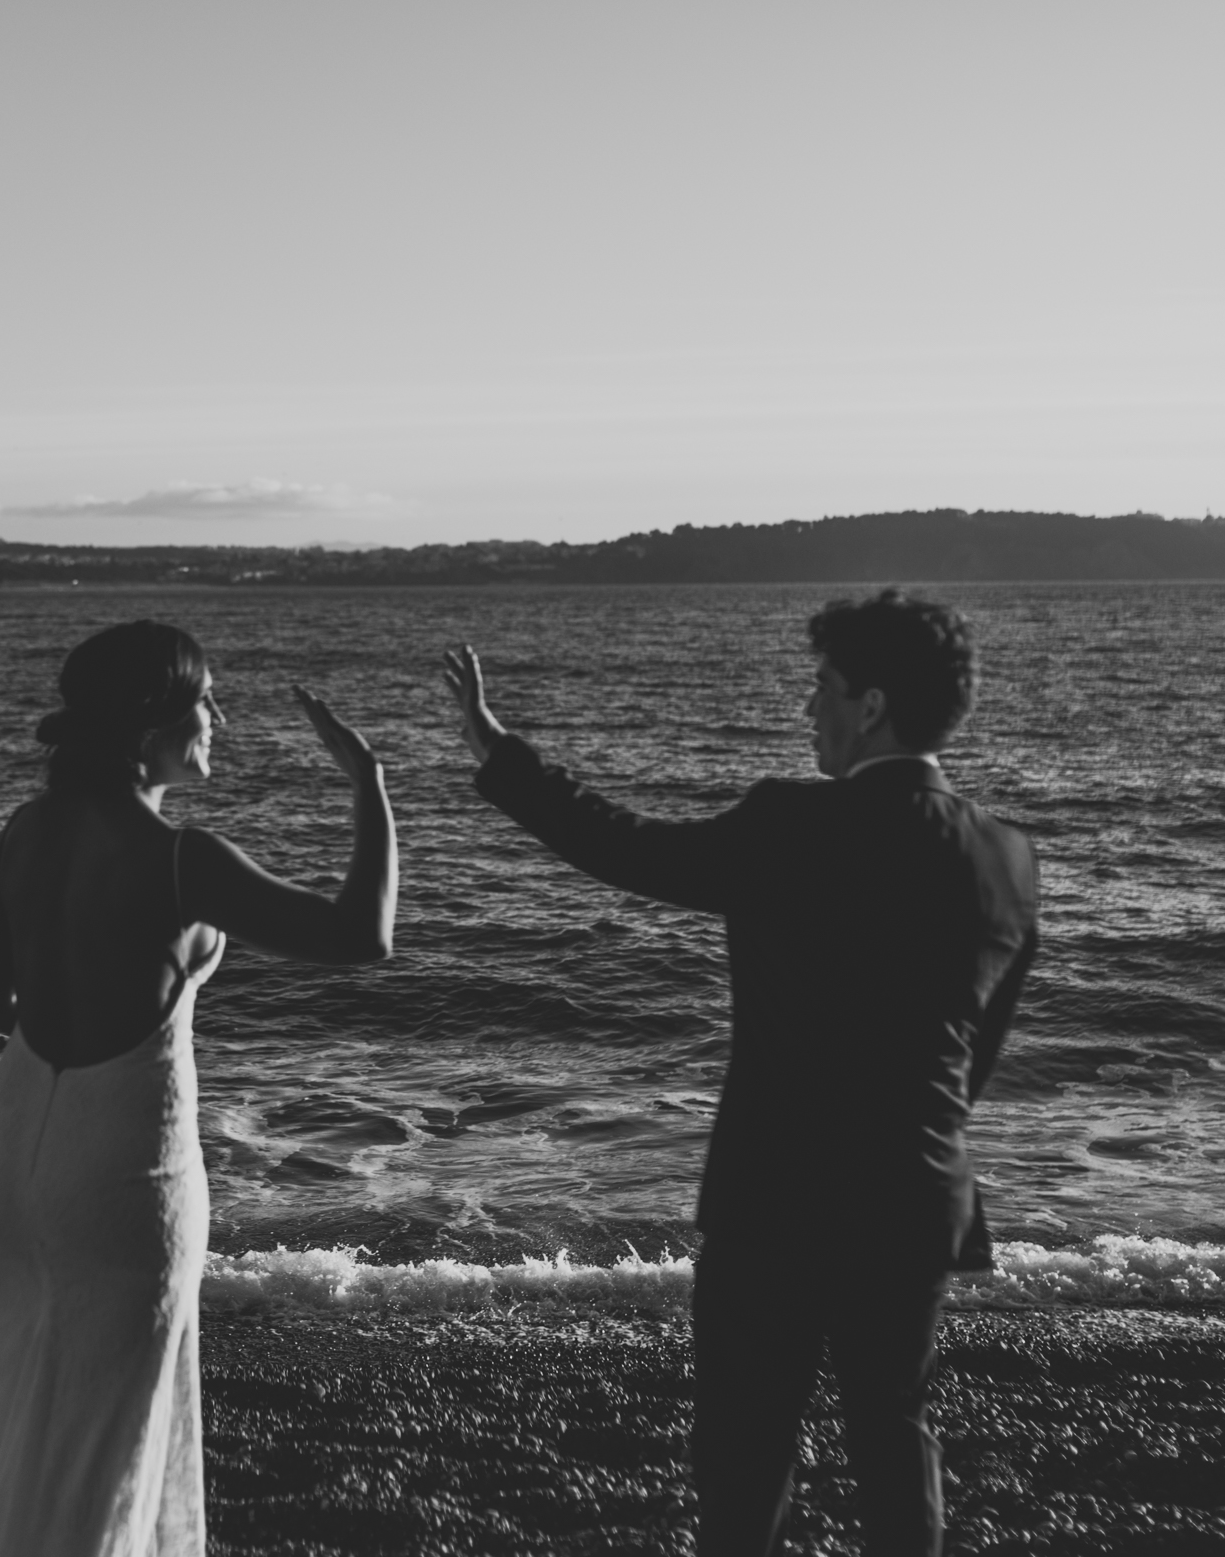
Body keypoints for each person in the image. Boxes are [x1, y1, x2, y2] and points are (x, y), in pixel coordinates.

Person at [441, 590, 1037, 1557]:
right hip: (919, 1193)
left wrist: (497, 751)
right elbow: (976, 1057)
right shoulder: (1006, 858)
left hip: (778, 1199)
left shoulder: (789, 824)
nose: (809, 707)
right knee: (897, 1443)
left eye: (822, 686)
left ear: (871, 705)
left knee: (747, 1459)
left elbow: (622, 845)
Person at [0, 620, 395, 1557]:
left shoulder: (27, 831)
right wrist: (369, 786)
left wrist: (74, 1020)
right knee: (112, 1440)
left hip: (15, 1146)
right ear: (150, 722)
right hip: (125, 1165)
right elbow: (362, 935)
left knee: (30, 1416)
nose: (219, 716)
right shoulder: (179, 858)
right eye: (204, 699)